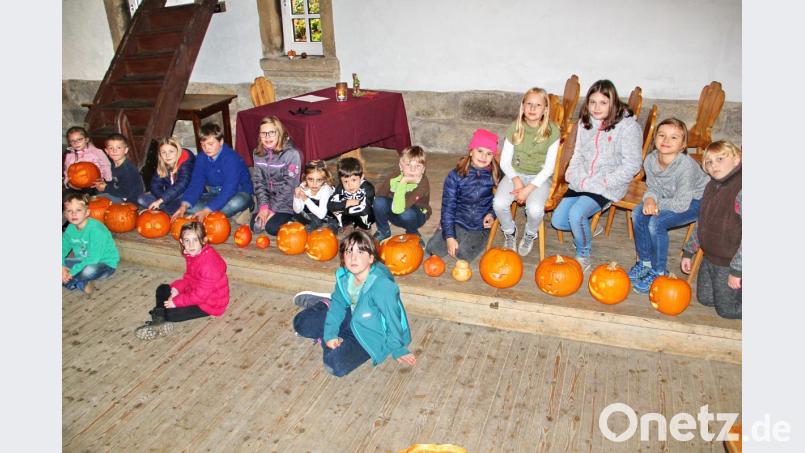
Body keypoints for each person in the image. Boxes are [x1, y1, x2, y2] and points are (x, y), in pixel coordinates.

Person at [291, 230, 416, 377]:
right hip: (351, 313)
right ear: (343, 256)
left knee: (335, 365)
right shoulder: (345, 277)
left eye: (360, 252)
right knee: (301, 323)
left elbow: (393, 318)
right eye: (349, 251)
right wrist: (330, 334)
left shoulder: (382, 286)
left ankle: (330, 335)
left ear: (371, 258)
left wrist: (397, 347)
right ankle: (325, 305)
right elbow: (338, 305)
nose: (353, 257)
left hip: (372, 332)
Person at [551, 79, 643, 271]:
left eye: (603, 102)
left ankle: (583, 253)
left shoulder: (628, 127)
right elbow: (577, 154)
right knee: (558, 221)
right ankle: (588, 227)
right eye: (592, 102)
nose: (596, 108)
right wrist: (573, 174)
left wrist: (605, 181)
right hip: (583, 179)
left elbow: (632, 165)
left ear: (613, 103)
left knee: (576, 214)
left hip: (607, 183)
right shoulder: (585, 123)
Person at [629, 118, 710, 293]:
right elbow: (654, 187)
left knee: (656, 223)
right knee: (637, 213)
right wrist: (650, 199)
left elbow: (681, 204)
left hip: (697, 201)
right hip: (670, 197)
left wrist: (655, 205)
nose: (666, 140)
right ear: (655, 139)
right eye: (662, 135)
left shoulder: (685, 166)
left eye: (674, 137)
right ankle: (645, 262)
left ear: (683, 145)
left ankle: (659, 271)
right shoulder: (650, 160)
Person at [493, 87, 561, 256]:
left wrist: (528, 189)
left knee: (535, 209)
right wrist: (516, 180)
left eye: (537, 105)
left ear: (545, 109)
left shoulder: (552, 132)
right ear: (522, 106)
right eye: (529, 104)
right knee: (499, 203)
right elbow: (505, 162)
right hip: (515, 173)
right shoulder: (514, 129)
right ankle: (510, 232)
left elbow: (548, 168)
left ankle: (530, 234)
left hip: (539, 178)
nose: (532, 109)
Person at [135, 221, 230, 340]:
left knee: (172, 313)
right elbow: (189, 277)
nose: (191, 245)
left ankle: (160, 316)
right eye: (187, 240)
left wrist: (176, 302)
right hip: (195, 291)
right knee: (163, 289)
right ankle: (160, 318)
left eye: (195, 240)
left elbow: (200, 296)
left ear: (203, 240)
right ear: (181, 241)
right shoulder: (192, 254)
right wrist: (176, 289)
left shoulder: (208, 265)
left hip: (210, 303)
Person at [681, 141, 741, 319]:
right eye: (709, 162)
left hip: (731, 261)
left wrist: (737, 271)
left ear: (737, 160)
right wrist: (688, 251)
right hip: (711, 256)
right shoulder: (711, 186)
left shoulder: (741, 189)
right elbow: (703, 220)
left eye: (720, 159)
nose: (714, 165)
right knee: (705, 299)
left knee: (726, 310)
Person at [425, 128, 501, 262]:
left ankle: (473, 238)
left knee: (463, 255)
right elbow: (448, 207)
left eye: (489, 153)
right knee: (432, 249)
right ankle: (447, 230)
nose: (484, 157)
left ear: (493, 156)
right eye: (480, 151)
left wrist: (492, 214)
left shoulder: (496, 174)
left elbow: (501, 199)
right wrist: (449, 236)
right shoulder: (455, 176)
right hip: (457, 220)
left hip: (479, 226)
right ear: (471, 151)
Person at [171, 123, 253, 222]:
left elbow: (229, 189)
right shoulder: (201, 158)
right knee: (185, 203)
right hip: (213, 194)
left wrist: (207, 210)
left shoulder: (232, 158)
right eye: (203, 145)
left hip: (237, 192)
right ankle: (222, 213)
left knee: (236, 203)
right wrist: (184, 206)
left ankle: (243, 207)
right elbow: (196, 184)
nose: (206, 148)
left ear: (221, 141)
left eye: (210, 144)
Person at [250, 116, 302, 235]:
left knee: (271, 228)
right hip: (267, 199)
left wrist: (272, 210)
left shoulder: (292, 154)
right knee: (255, 227)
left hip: (286, 201)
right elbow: (258, 181)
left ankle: (294, 218)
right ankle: (266, 214)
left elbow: (290, 186)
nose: (267, 137)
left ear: (279, 133)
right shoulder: (257, 153)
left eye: (271, 133)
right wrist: (263, 207)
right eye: (263, 133)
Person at [62, 192, 119, 294]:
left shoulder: (96, 230)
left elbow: (93, 259)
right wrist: (61, 267)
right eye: (69, 211)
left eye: (78, 210)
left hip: (104, 264)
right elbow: (62, 249)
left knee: (88, 270)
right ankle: (80, 282)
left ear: (87, 212)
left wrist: (71, 272)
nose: (73, 214)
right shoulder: (70, 229)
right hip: (82, 261)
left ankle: (72, 281)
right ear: (65, 214)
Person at [372, 145, 431, 242]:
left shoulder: (422, 184)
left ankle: (413, 233)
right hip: (395, 213)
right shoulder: (394, 176)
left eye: (418, 166)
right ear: (401, 166)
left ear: (423, 169)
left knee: (405, 213)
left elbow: (401, 208)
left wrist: (403, 182)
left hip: (416, 215)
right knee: (378, 202)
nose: (412, 170)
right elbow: (380, 195)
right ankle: (383, 231)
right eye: (408, 165)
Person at [136, 137, 196, 215]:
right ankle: (167, 209)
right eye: (163, 152)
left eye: (171, 151)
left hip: (185, 195)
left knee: (183, 203)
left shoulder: (186, 163)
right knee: (141, 199)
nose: (167, 155)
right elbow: (155, 185)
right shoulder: (162, 164)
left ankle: (166, 209)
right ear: (160, 154)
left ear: (178, 151)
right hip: (168, 196)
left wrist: (161, 201)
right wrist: (163, 198)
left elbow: (181, 185)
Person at [327, 157, 375, 233]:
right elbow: (330, 205)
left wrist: (354, 204)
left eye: (353, 180)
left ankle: (364, 227)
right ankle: (347, 224)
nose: (350, 185)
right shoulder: (340, 188)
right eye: (345, 181)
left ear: (361, 177)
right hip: (348, 212)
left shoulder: (367, 188)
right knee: (331, 209)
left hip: (366, 215)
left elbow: (367, 205)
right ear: (340, 180)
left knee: (365, 208)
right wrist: (347, 203)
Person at [94, 133, 144, 203]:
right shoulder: (110, 165)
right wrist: (102, 183)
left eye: (119, 148)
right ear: (107, 151)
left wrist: (105, 188)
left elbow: (126, 192)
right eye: (111, 148)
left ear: (126, 150)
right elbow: (110, 182)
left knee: (100, 199)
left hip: (129, 201)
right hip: (116, 195)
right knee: (98, 194)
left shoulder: (128, 169)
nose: (115, 151)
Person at [292, 159, 339, 233]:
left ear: (324, 179)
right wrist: (297, 197)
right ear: (305, 177)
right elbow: (297, 210)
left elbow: (321, 215)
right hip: (315, 212)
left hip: (329, 213)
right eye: (310, 179)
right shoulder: (303, 186)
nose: (314, 184)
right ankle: (315, 221)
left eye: (319, 180)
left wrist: (305, 199)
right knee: (296, 215)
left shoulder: (326, 189)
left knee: (331, 226)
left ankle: (329, 224)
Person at [63, 126, 112, 193]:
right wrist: (68, 183)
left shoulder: (97, 152)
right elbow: (67, 171)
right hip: (77, 187)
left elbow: (106, 165)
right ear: (70, 143)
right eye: (72, 141)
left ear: (86, 139)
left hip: (96, 185)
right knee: (68, 198)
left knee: (99, 199)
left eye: (79, 139)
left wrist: (106, 180)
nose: (76, 143)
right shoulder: (69, 156)